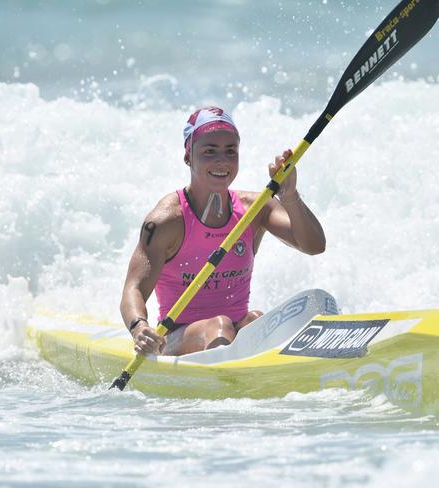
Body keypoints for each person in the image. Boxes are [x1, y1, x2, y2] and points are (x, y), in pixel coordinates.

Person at [120, 106, 325, 356]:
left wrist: (290, 195)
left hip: (235, 332)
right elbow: (134, 288)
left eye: (231, 151)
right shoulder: (167, 220)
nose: (222, 161)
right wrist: (140, 328)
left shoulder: (255, 209)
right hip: (175, 338)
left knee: (257, 320)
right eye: (209, 151)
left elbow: (314, 246)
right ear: (188, 157)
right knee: (220, 327)